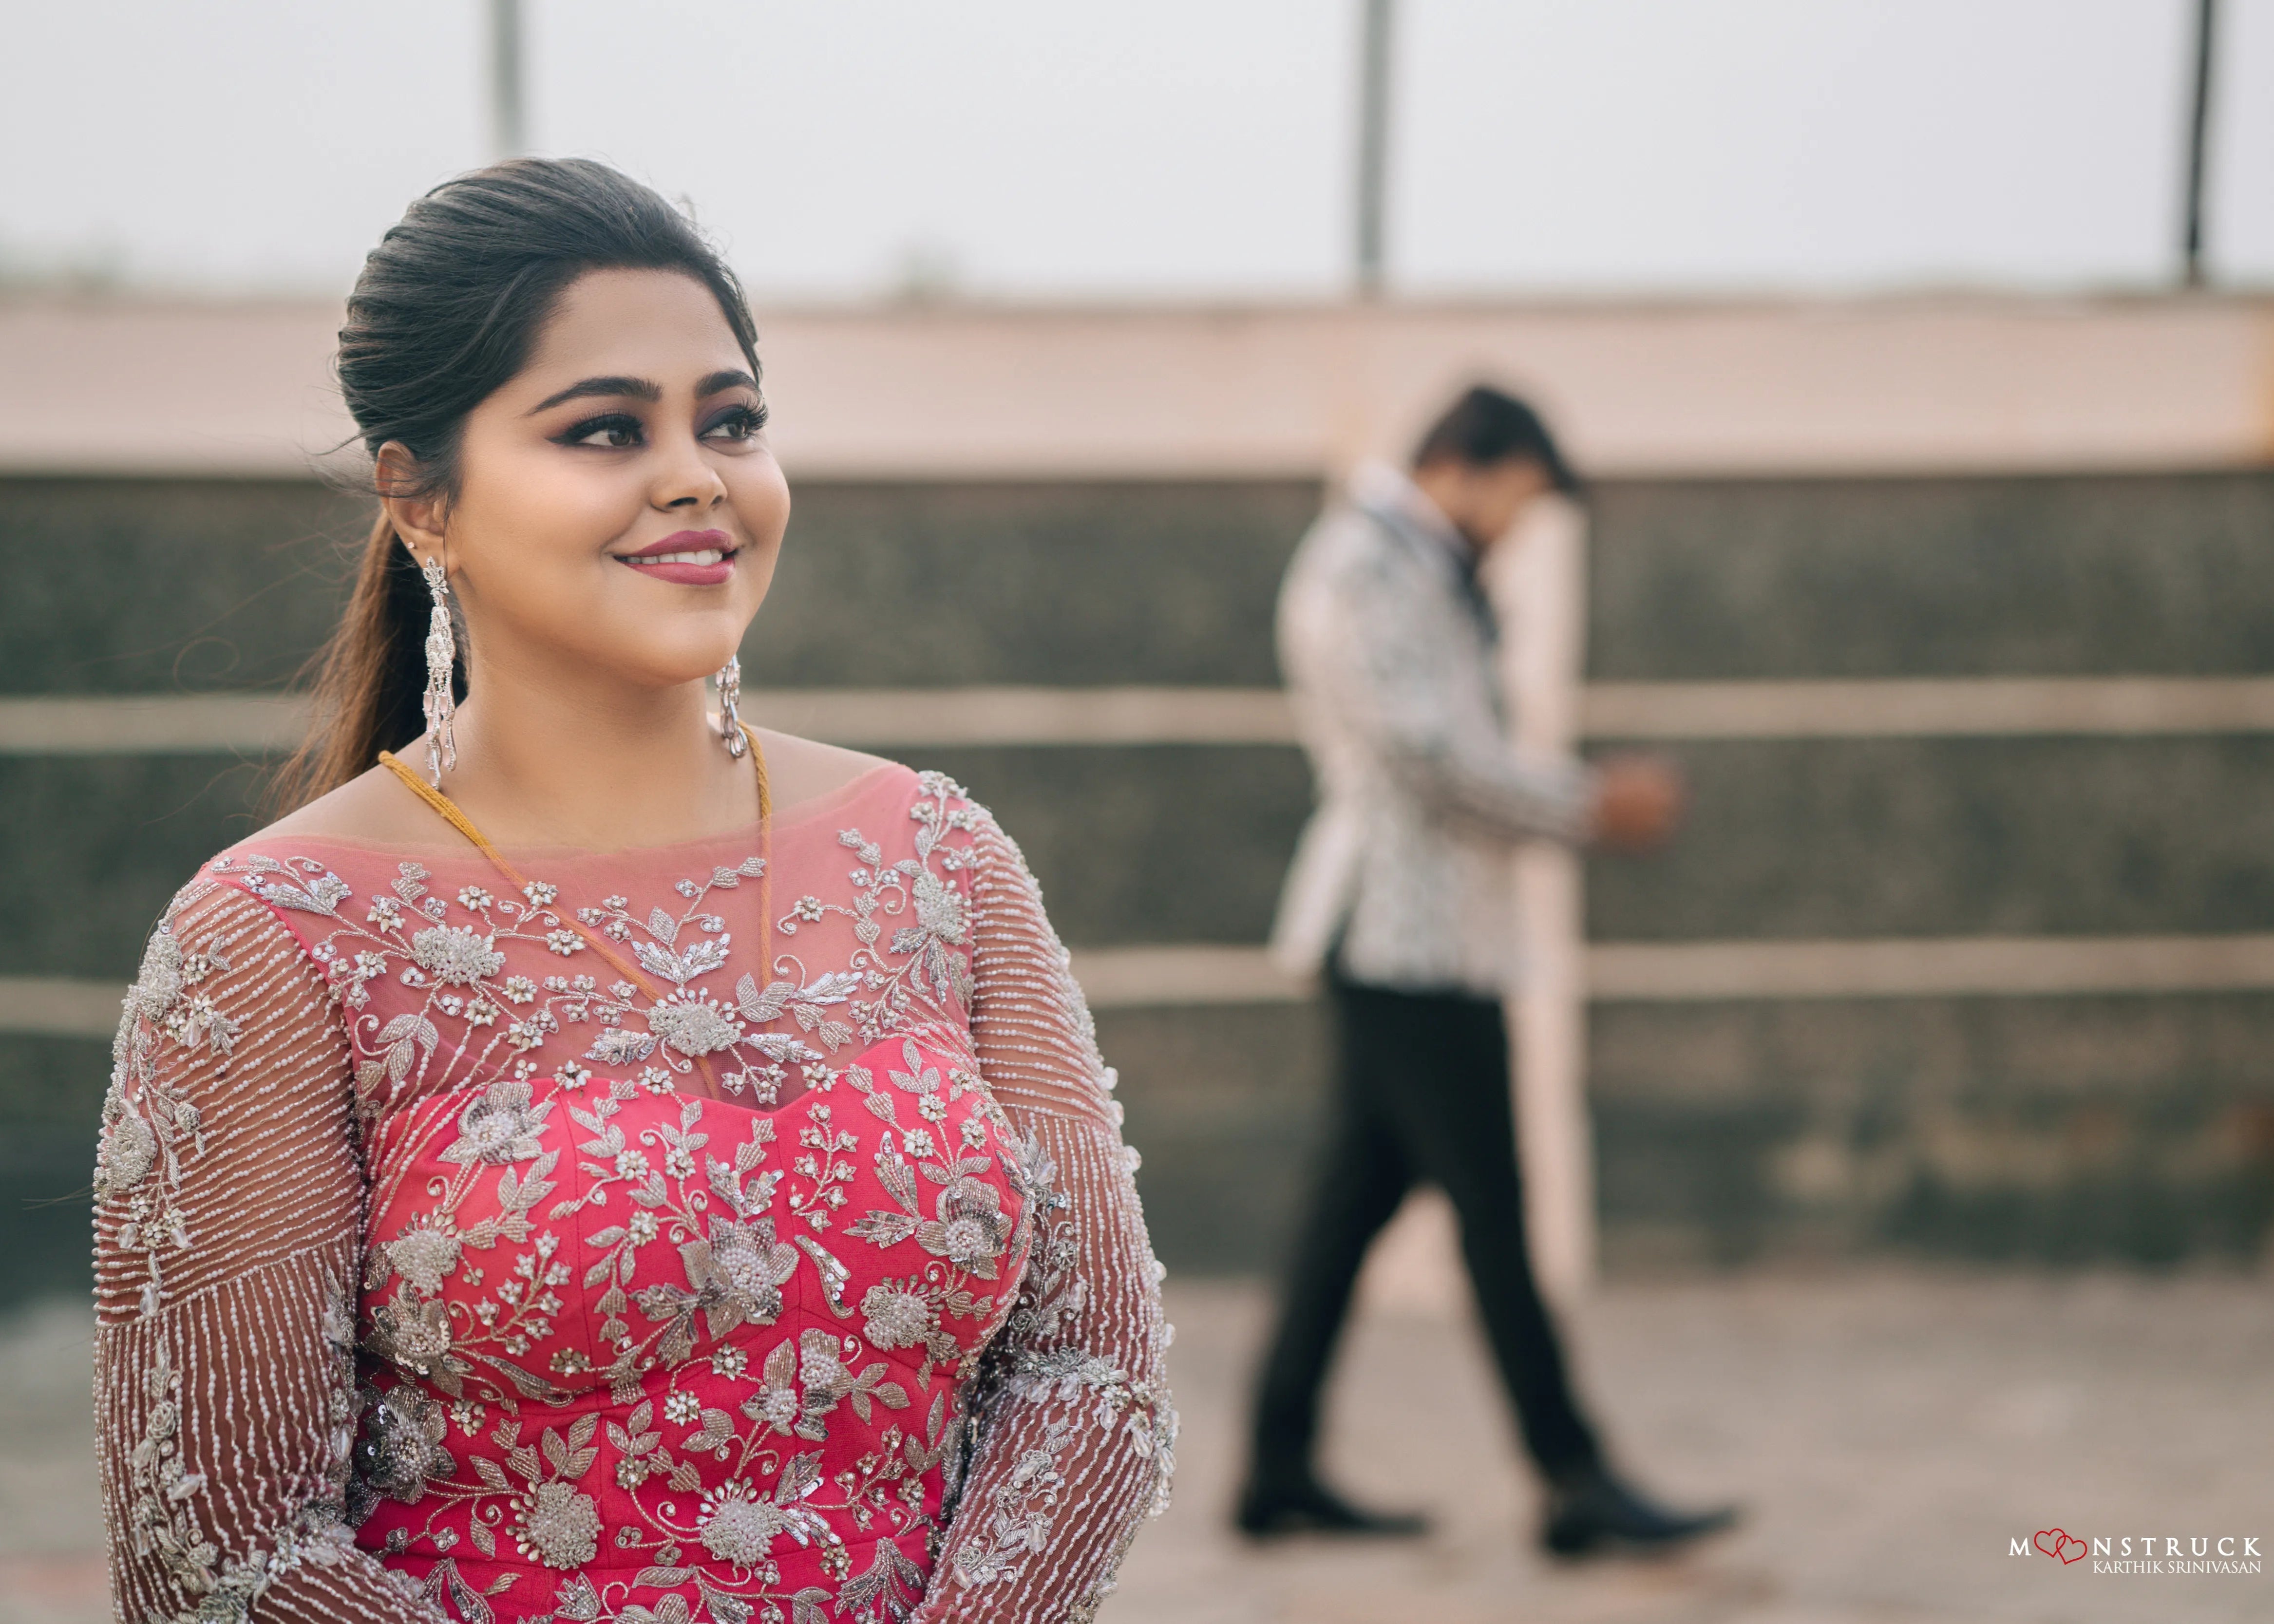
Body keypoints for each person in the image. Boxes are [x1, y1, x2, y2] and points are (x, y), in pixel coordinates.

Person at [90, 159, 1173, 1624]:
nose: (696, 474)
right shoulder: (272, 938)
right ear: (421, 500)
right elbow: (217, 1554)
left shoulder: (936, 855)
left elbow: (1091, 1367)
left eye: (730, 421)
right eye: (607, 428)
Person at [1237, 384, 1734, 1557]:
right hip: (1405, 946)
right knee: (1495, 1215)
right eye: (1515, 499)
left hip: (1427, 940)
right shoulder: (1368, 564)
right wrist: (1590, 804)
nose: (1515, 527)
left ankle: (1276, 1465)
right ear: (1463, 463)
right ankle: (1573, 1477)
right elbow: (1431, 757)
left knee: (1350, 1214)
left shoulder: (1412, 562)